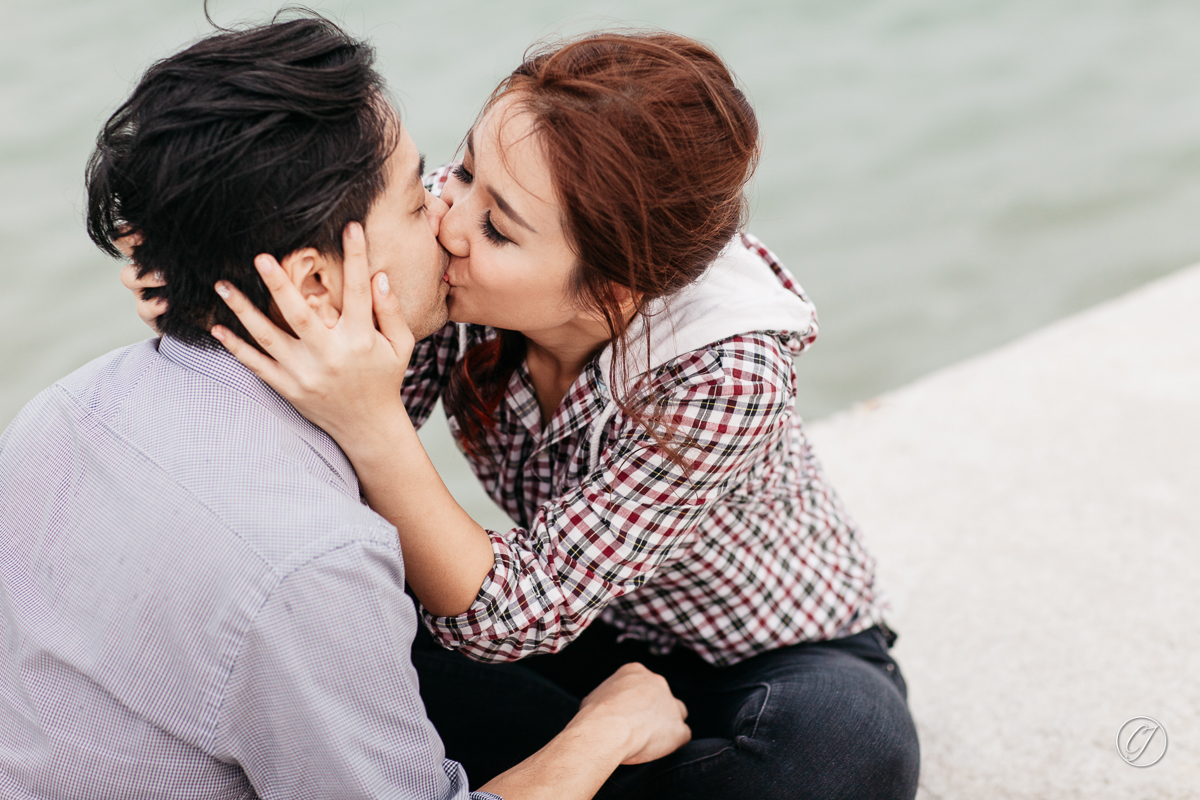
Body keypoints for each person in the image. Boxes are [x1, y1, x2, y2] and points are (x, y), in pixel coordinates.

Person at [131, 31, 920, 800]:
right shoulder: (460, 234)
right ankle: (591, 758)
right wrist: (202, 289)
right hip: (577, 645)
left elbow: (512, 613)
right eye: (465, 169)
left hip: (764, 656)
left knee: (845, 753)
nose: (448, 221)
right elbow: (314, 435)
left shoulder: (726, 372)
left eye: (497, 228)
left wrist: (374, 423)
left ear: (609, 290)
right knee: (325, 628)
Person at [0, 16, 693, 800]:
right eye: (415, 197)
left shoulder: (57, 414)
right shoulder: (311, 562)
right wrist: (604, 730)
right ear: (316, 283)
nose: (445, 220)